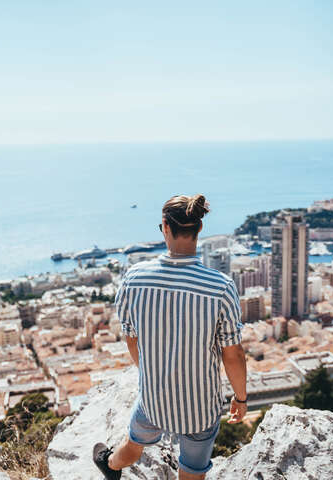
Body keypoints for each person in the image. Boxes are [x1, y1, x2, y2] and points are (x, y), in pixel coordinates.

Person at [93, 193, 247, 480]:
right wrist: (240, 398)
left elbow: (131, 337)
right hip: (201, 408)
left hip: (153, 401)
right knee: (191, 471)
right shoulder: (220, 287)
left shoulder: (134, 279)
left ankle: (110, 465)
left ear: (164, 226)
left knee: (133, 445)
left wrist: (150, 373)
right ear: (199, 229)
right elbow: (233, 354)